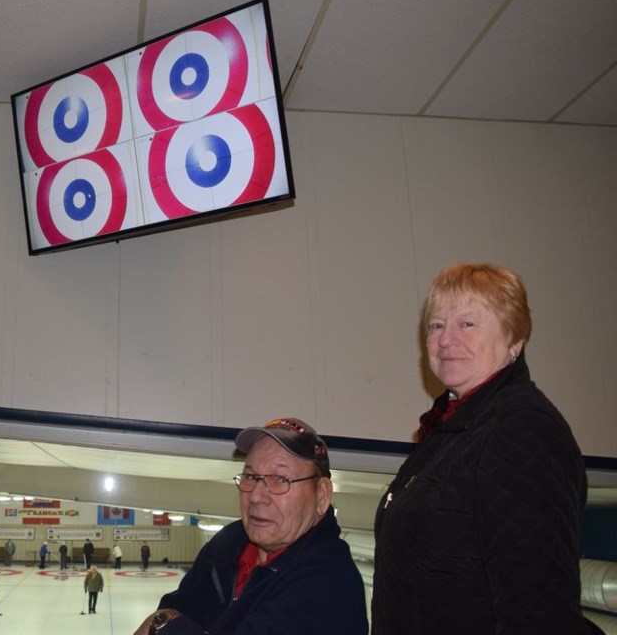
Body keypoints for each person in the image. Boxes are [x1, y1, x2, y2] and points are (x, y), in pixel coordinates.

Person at [371, 263, 600, 635]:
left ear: (515, 340)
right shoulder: (449, 431)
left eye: (468, 323)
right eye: (436, 325)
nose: (446, 340)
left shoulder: (523, 429)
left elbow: (538, 610)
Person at [134, 417, 367, 635]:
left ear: (322, 495)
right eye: (251, 477)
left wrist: (165, 625)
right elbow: (177, 604)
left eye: (280, 479)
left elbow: (167, 618)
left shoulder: (331, 585)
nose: (256, 496)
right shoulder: (229, 541)